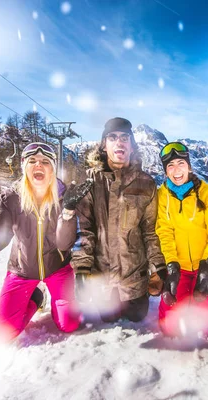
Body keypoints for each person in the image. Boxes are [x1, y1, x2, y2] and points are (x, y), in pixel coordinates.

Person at [0, 142, 92, 342]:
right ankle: (37, 297)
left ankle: (59, 298)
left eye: (45, 162)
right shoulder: (10, 198)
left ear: (52, 168)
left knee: (69, 324)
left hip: (58, 268)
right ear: (24, 167)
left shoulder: (65, 196)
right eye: (32, 161)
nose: (38, 165)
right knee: (1, 334)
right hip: (22, 270)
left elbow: (64, 244)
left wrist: (68, 211)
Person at [69, 117, 166, 323]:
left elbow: (150, 231)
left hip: (134, 276)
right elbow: (84, 230)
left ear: (131, 146)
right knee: (108, 317)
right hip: (102, 276)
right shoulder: (90, 181)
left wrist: (157, 268)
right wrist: (82, 269)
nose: (119, 142)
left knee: (137, 316)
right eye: (112, 138)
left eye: (125, 138)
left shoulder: (146, 184)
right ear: (104, 145)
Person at [155, 142, 208, 337]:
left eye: (180, 163)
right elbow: (164, 231)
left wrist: (206, 265)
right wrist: (172, 265)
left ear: (189, 166)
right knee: (169, 327)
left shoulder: (207, 192)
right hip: (180, 267)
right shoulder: (161, 196)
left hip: (205, 266)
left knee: (205, 327)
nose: (177, 170)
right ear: (165, 171)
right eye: (170, 166)